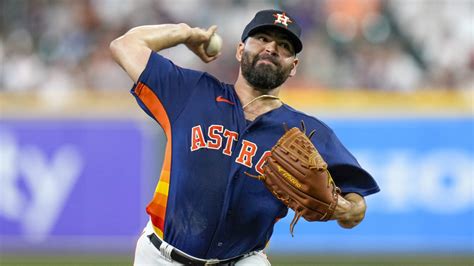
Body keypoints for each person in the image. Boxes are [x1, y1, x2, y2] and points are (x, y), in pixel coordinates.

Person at [110, 9, 380, 266]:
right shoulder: (191, 93)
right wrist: (185, 33)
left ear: (293, 66)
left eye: (285, 46)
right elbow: (125, 46)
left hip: (242, 259)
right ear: (240, 50)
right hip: (161, 256)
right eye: (262, 38)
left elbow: (358, 207)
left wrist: (343, 209)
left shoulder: (308, 131)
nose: (272, 48)